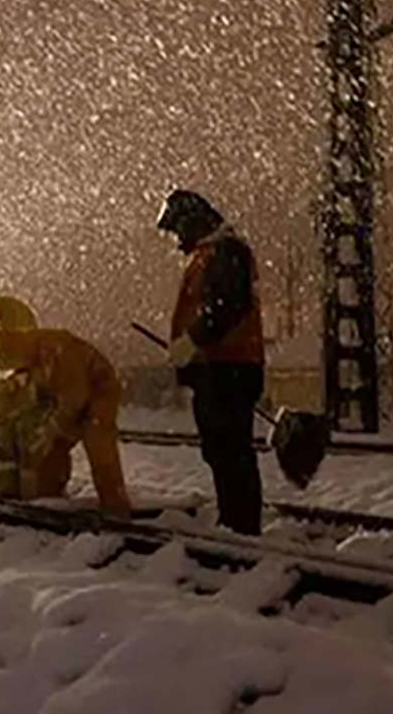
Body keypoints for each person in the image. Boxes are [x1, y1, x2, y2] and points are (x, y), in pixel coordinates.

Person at [155, 189, 265, 535]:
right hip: (220, 368)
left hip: (229, 368)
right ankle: (235, 521)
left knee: (230, 449)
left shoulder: (226, 252)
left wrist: (193, 340)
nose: (177, 242)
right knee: (222, 449)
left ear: (194, 223)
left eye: (178, 232)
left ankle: (241, 526)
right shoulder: (213, 253)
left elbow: (227, 307)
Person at [0, 327, 131, 516]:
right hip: (67, 400)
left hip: (99, 390)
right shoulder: (29, 359)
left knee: (98, 444)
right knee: (52, 448)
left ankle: (115, 506)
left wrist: (53, 426)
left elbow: (75, 394)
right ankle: (49, 498)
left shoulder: (57, 348)